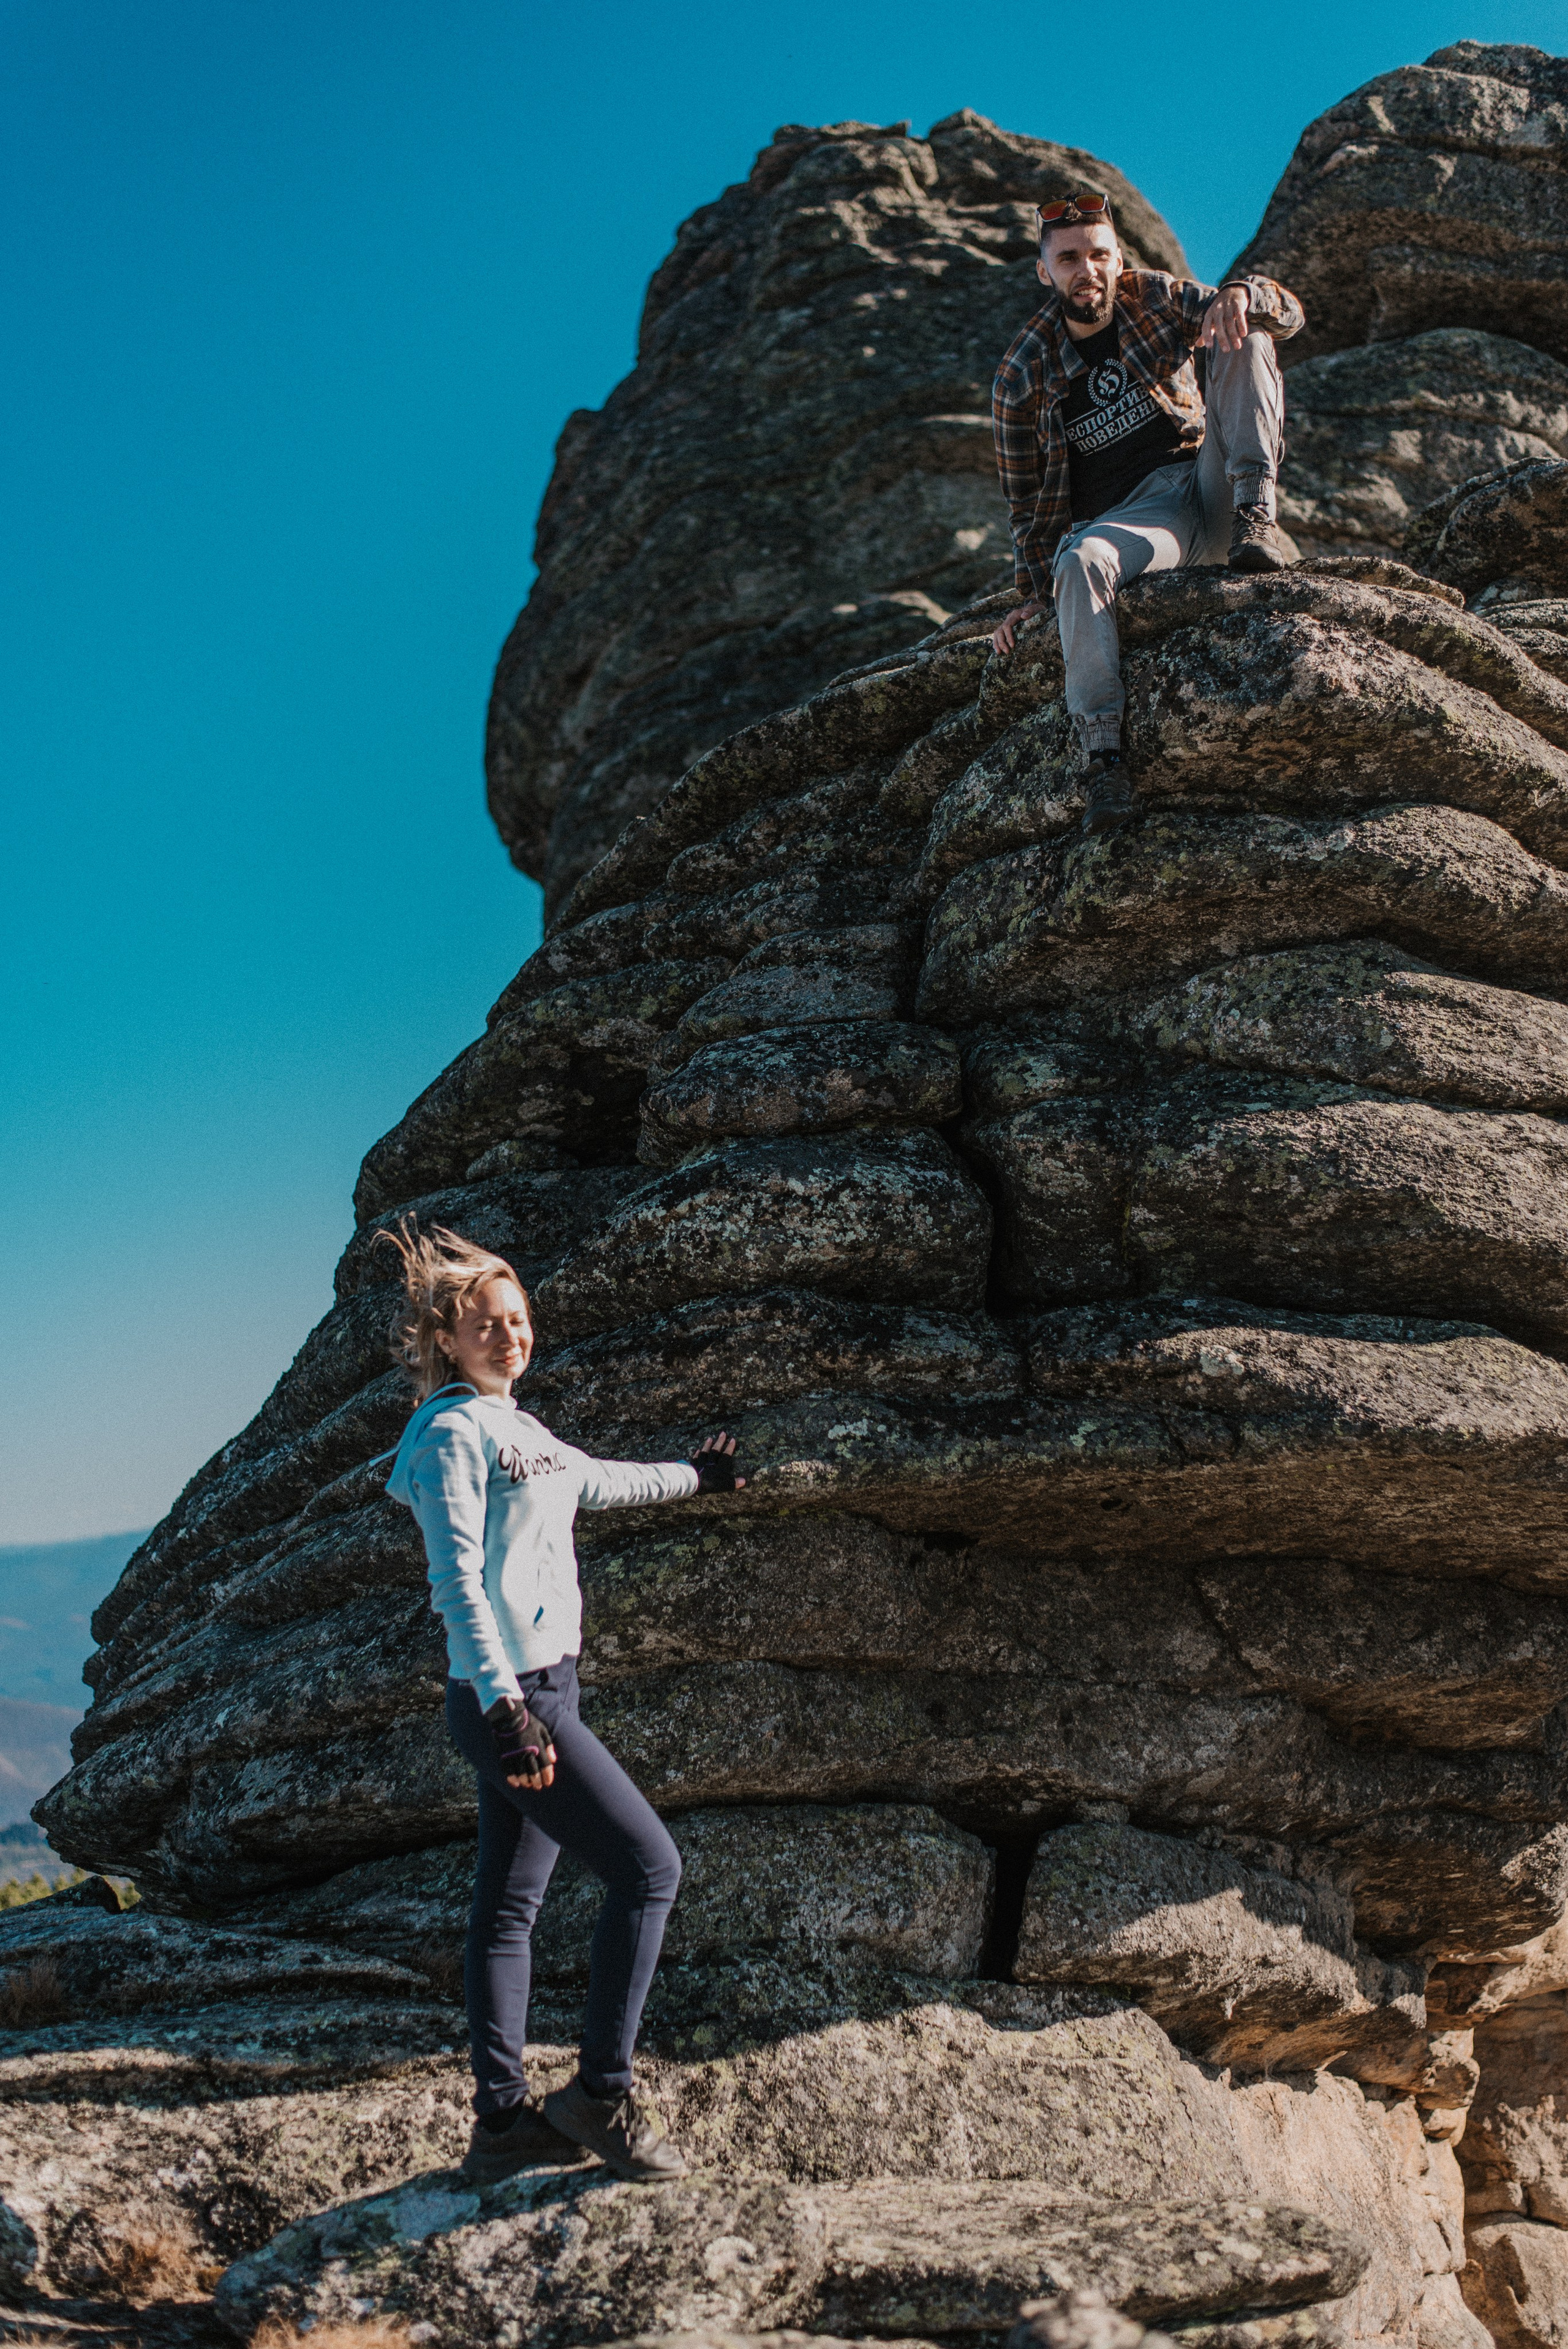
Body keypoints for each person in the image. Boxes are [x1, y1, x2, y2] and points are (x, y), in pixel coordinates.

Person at [380, 1218, 743, 2187]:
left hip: (545, 1689)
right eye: (490, 1323)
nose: (511, 1336)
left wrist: (694, 1474)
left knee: (508, 1909)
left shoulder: (521, 1429)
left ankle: (502, 2122)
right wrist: (508, 1711)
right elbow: (456, 1585)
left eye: (521, 1319)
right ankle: (601, 2093)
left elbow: (598, 1481)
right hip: (513, 1697)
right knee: (649, 1867)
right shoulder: (450, 1435)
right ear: (447, 1337)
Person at [990, 189, 1305, 833]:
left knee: (1248, 338)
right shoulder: (1021, 374)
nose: (1088, 271)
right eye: (1069, 258)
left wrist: (1242, 292)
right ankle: (1104, 755)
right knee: (1079, 560)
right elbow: (1026, 506)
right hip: (1142, 525)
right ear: (1043, 270)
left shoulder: (1151, 295)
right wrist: (1031, 594)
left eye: (1099, 255)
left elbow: (1289, 314)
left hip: (1211, 486)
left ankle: (1256, 515)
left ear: (1118, 256)